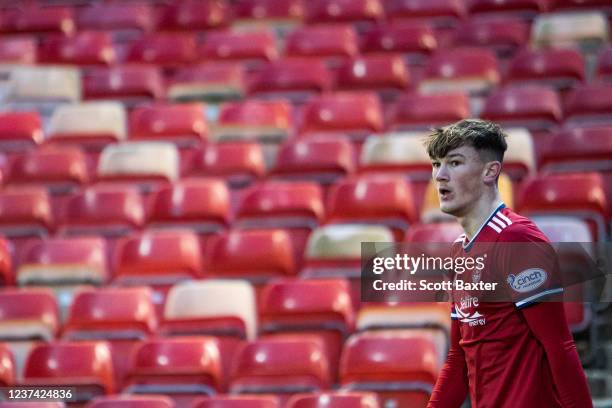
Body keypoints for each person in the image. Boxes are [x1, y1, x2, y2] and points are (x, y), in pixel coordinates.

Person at [424, 119, 592, 408]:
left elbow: (560, 347)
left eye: (454, 163)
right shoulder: (458, 252)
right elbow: (458, 359)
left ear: (491, 171)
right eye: (436, 164)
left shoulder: (517, 240)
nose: (440, 175)